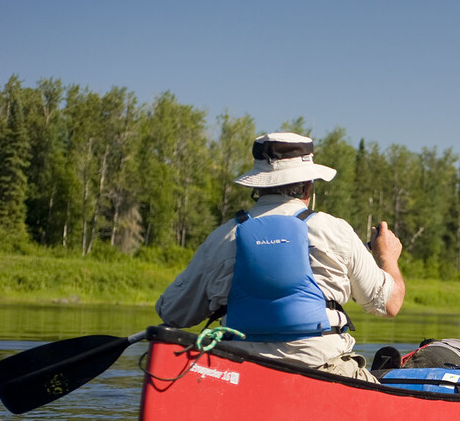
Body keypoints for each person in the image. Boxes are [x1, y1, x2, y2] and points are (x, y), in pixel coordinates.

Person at [155, 132, 405, 382]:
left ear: (257, 186)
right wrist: (388, 257)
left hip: (238, 375)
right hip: (324, 372)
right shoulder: (334, 230)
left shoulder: (223, 237)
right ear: (308, 186)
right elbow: (389, 304)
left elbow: (172, 312)